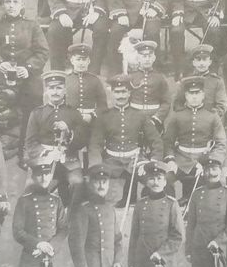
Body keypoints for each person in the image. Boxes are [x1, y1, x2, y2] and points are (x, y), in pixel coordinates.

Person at [0, 0, 50, 163]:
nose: (11, 5)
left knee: (34, 97)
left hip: (27, 73)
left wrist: (28, 68)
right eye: (7, 2)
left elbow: (42, 52)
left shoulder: (32, 25)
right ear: (3, 5)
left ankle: (25, 149)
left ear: (22, 4)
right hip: (1, 73)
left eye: (15, 2)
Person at [87, 73, 163, 209]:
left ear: (129, 93)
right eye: (117, 92)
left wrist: (153, 162)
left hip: (134, 160)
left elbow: (156, 140)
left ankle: (140, 201)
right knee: (96, 190)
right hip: (111, 160)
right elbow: (95, 144)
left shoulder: (140, 115)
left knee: (154, 183)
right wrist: (96, 165)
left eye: (123, 92)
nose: (120, 96)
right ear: (112, 93)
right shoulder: (104, 116)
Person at [24, 72, 89, 207]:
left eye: (59, 88)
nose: (55, 92)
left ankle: (70, 218)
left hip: (69, 160)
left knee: (77, 184)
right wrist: (46, 153)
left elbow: (82, 139)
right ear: (46, 90)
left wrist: (68, 132)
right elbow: (30, 143)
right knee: (31, 188)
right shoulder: (37, 113)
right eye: (51, 88)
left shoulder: (73, 113)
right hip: (44, 161)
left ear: (65, 90)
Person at [163, 76, 227, 203]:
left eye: (197, 93)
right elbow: (168, 142)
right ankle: (170, 208)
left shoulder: (212, 115)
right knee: (165, 177)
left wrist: (211, 162)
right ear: (185, 95)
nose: (194, 97)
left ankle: (198, 207)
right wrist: (170, 160)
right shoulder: (177, 115)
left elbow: (221, 143)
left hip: (204, 158)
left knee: (213, 180)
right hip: (181, 158)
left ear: (203, 94)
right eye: (190, 93)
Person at [172, 43, 227, 118]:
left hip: (210, 122)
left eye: (204, 59)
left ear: (210, 62)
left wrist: (208, 119)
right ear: (194, 63)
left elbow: (221, 106)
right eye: (198, 59)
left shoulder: (217, 81)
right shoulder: (186, 81)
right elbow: (177, 104)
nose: (201, 63)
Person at [128, 41, 172, 130]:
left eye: (150, 56)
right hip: (134, 118)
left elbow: (166, 102)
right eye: (144, 56)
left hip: (154, 117)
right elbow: (126, 100)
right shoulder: (131, 77)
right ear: (138, 58)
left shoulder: (160, 78)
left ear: (154, 58)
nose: (147, 59)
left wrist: (157, 118)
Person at [65, 44, 108, 130]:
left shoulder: (95, 80)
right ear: (72, 61)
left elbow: (103, 106)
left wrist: (92, 115)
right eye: (78, 59)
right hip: (70, 121)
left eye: (84, 60)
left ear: (88, 61)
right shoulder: (66, 79)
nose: (81, 63)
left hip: (91, 122)